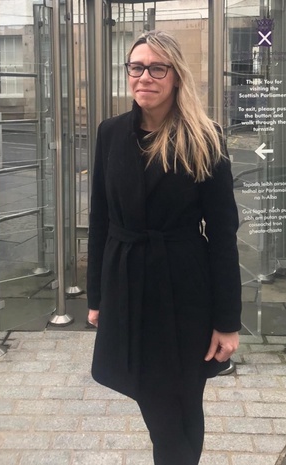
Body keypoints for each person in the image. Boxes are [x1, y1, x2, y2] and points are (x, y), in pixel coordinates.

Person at [86, 30, 242, 465]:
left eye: (157, 68)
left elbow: (224, 233)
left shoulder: (204, 137)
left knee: (183, 402)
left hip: (185, 291)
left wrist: (228, 321)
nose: (144, 77)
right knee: (163, 405)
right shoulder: (110, 133)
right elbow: (100, 218)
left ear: (175, 76)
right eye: (136, 67)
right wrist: (96, 295)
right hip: (127, 285)